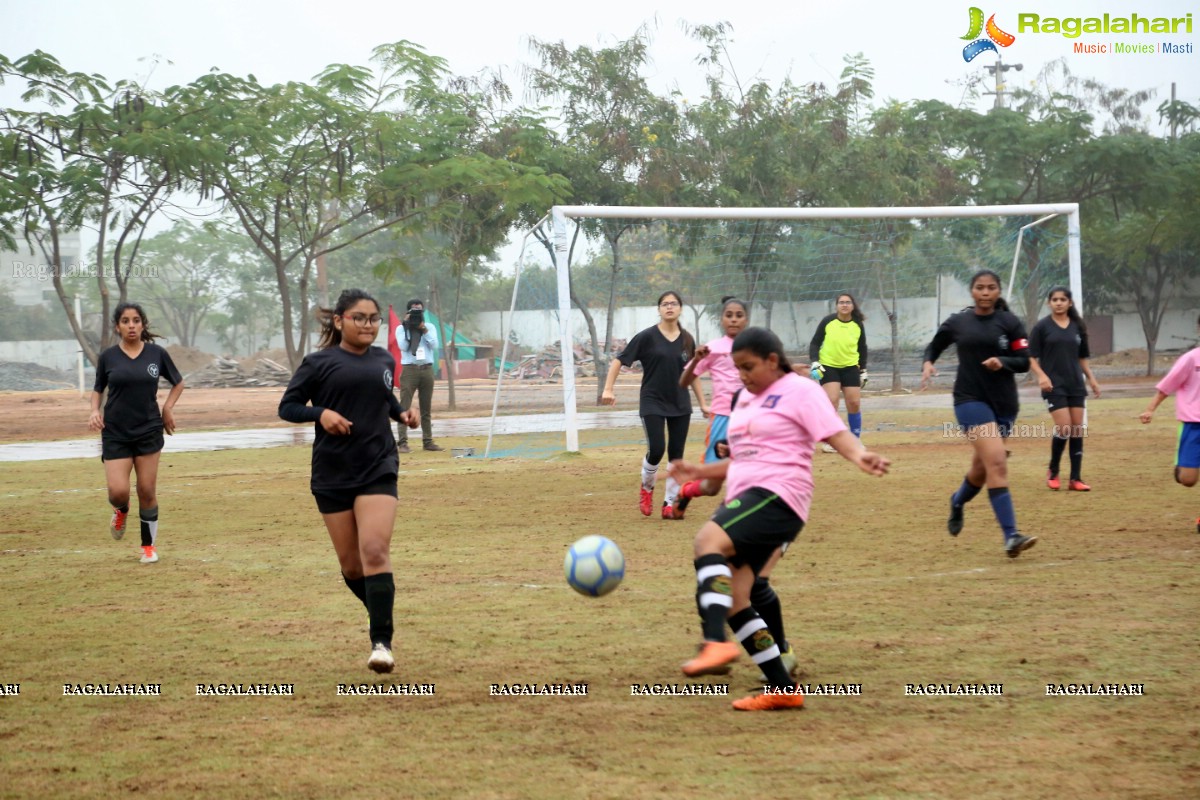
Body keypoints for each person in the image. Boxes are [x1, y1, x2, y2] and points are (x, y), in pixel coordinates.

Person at [668, 327, 890, 711]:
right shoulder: (745, 401)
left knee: (706, 541)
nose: (743, 376)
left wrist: (860, 455)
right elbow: (744, 460)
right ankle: (783, 688)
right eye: (737, 368)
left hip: (779, 496)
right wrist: (699, 471)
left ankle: (714, 642)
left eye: (749, 366)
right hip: (749, 493)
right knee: (738, 598)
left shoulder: (800, 390)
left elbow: (835, 433)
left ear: (773, 360)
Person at [279, 289, 419, 673]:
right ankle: (380, 610)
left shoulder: (384, 358)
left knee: (374, 550)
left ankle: (381, 643)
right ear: (339, 321)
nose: (368, 325)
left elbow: (384, 400)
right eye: (359, 317)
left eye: (373, 318)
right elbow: (287, 407)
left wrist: (402, 414)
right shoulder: (318, 362)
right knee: (353, 568)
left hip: (378, 466)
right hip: (332, 473)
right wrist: (320, 413)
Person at [920, 269, 1036, 558]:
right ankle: (1011, 536)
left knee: (982, 470)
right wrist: (928, 362)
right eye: (980, 288)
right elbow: (935, 344)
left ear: (998, 291)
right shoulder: (959, 322)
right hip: (969, 400)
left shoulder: (1010, 322)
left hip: (1005, 405)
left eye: (991, 288)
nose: (985, 293)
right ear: (972, 291)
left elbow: (1024, 362)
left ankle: (957, 501)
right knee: (997, 461)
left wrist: (1002, 361)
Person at [88, 302, 184, 565]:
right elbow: (98, 388)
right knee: (118, 491)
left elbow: (179, 382)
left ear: (143, 324)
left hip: (149, 429)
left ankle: (148, 547)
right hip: (115, 432)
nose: (131, 325)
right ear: (118, 327)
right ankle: (121, 510)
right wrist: (94, 411)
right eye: (126, 321)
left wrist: (168, 408)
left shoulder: (157, 354)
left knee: (146, 489)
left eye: (136, 320)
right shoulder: (108, 357)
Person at [601, 290, 705, 519]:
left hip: (680, 402)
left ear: (680, 308)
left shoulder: (687, 339)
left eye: (674, 303)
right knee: (657, 449)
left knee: (676, 455)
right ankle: (647, 488)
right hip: (652, 401)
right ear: (659, 309)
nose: (669, 307)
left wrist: (703, 404)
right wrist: (608, 389)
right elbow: (619, 360)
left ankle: (669, 504)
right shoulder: (647, 337)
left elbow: (693, 373)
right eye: (665, 304)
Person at [675, 296, 749, 518]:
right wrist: (697, 361)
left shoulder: (756, 347)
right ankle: (686, 492)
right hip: (722, 419)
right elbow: (683, 382)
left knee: (750, 471)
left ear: (746, 319)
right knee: (711, 487)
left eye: (739, 315)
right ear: (721, 319)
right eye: (729, 315)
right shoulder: (712, 349)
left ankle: (736, 516)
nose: (734, 320)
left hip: (751, 419)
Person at [1028, 286, 1102, 491]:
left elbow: (1081, 358)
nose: (1059, 303)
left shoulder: (1078, 327)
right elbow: (1030, 357)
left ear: (1070, 303)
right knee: (1064, 427)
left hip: (1075, 385)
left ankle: (1075, 479)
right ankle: (1053, 470)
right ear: (1049, 303)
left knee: (1077, 430)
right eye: (1055, 299)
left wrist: (1092, 380)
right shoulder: (1042, 327)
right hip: (1053, 385)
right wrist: (1041, 376)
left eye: (1063, 299)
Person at [1139, 315, 1200, 534]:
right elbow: (1168, 386)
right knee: (1188, 480)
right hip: (1193, 424)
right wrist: (1150, 409)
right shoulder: (1191, 359)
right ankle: (1180, 466)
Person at [809, 292, 869, 453]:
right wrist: (815, 361)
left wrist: (863, 370)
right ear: (836, 305)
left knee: (854, 403)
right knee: (832, 401)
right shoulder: (828, 321)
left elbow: (862, 347)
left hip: (850, 367)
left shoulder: (857, 324)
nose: (844, 305)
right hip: (828, 366)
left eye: (848, 302)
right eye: (841, 302)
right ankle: (832, 441)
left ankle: (855, 440)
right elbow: (815, 343)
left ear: (852, 306)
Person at [395, 298, 443, 453]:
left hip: (427, 369)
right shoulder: (401, 329)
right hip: (410, 369)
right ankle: (403, 442)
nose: (417, 314)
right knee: (404, 406)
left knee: (426, 407)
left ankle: (428, 442)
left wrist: (423, 329)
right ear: (408, 312)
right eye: (414, 311)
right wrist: (408, 326)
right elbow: (403, 346)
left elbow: (435, 345)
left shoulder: (429, 326)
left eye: (419, 311)